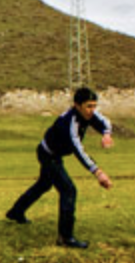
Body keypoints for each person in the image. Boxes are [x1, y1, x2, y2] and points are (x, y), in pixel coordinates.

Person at [6, 85, 114, 248]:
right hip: (48, 155)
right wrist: (98, 172)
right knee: (68, 190)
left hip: (54, 154)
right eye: (88, 106)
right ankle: (65, 237)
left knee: (43, 185)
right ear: (77, 106)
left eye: (94, 106)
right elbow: (78, 150)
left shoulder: (89, 113)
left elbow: (104, 121)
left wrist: (106, 134)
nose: (92, 110)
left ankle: (16, 212)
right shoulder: (69, 123)